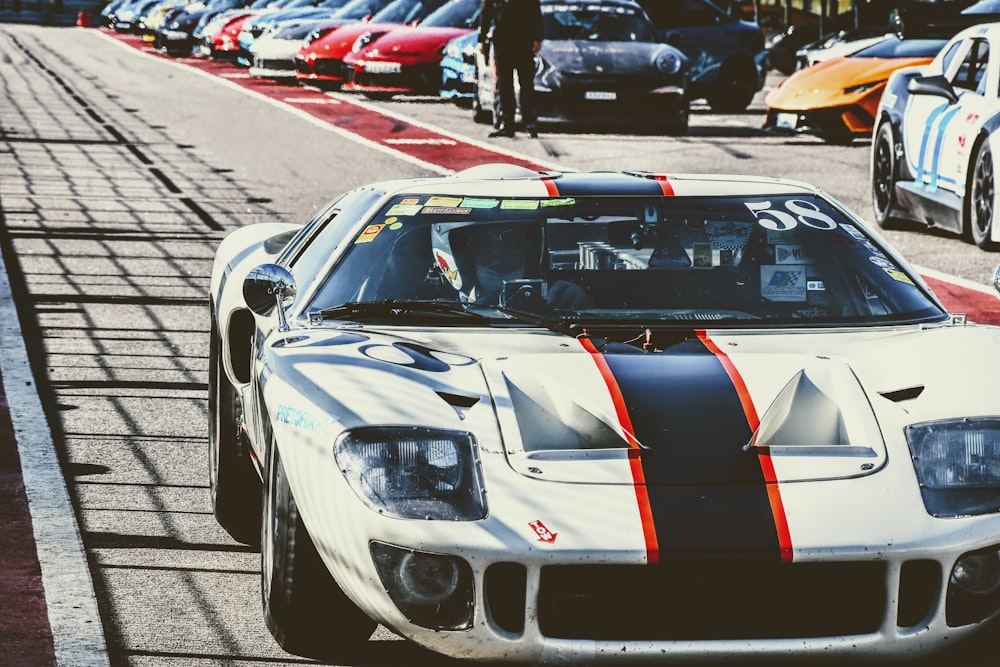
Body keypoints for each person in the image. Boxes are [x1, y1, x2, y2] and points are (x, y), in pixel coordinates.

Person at [479, 0, 544, 139]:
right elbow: (486, 12)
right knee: (505, 85)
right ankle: (507, 124)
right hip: (503, 40)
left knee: (526, 84)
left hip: (523, 39)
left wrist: (538, 38)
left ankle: (529, 123)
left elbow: (535, 12)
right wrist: (482, 38)